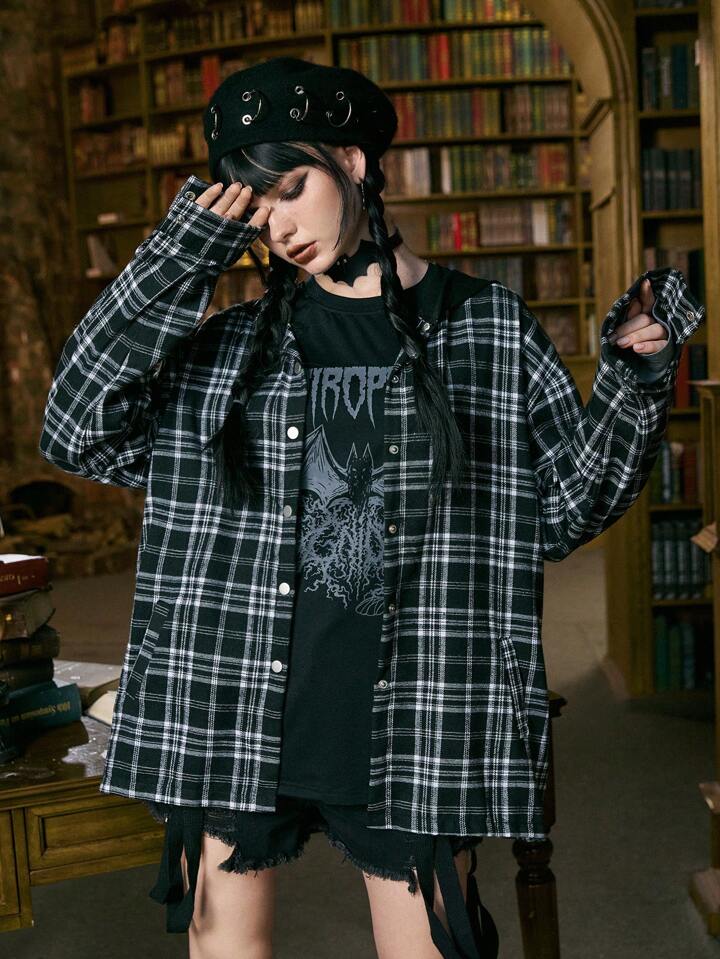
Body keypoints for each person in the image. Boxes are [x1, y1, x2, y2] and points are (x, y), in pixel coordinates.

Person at [38, 55, 704, 959]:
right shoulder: (225, 349)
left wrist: (632, 380)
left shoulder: (484, 327)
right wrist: (182, 256)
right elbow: (76, 429)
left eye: (289, 189)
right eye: (253, 207)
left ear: (352, 162)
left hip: (418, 709)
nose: (276, 226)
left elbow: (563, 510)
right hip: (233, 699)